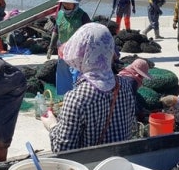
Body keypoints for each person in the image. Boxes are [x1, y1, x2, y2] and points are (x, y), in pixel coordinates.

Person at [42, 23, 137, 153]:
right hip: (120, 163)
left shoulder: (76, 98)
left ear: (81, 52)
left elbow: (62, 149)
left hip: (91, 169)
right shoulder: (125, 85)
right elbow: (131, 126)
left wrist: (52, 125)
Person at [50, 0, 92, 95]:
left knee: (76, 73)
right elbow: (56, 30)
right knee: (63, 73)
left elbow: (90, 31)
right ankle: (63, 95)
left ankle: (76, 95)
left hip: (78, 50)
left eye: (69, 3)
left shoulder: (82, 15)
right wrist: (51, 47)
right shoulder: (59, 15)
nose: (66, 5)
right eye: (65, 3)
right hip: (62, 50)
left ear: (75, 3)